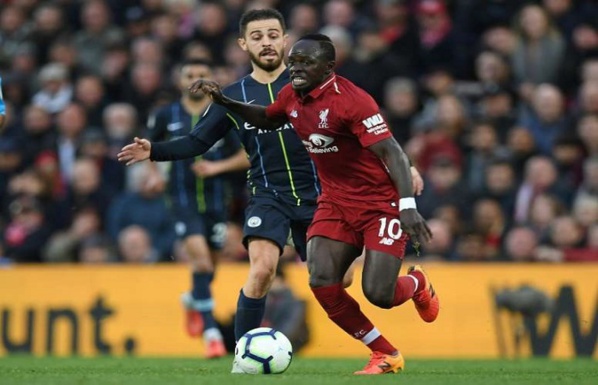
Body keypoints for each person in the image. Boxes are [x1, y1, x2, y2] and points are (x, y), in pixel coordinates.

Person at [117, 9, 424, 366]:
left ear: (284, 40)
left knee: (341, 282)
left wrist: (409, 168)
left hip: (323, 196)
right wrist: (154, 150)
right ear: (243, 44)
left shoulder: (312, 85)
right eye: (258, 36)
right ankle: (242, 358)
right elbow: (196, 142)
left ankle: (402, 304)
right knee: (262, 270)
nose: (266, 42)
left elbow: (371, 133)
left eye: (273, 34)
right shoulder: (234, 94)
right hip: (268, 196)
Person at [190, 34, 438, 375]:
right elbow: (268, 118)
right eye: (292, 62)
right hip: (334, 202)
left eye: (305, 62)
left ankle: (416, 284)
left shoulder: (353, 101)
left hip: (378, 203)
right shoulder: (291, 95)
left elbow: (392, 152)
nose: (295, 68)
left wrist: (406, 205)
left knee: (378, 293)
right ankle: (385, 353)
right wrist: (225, 102)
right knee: (322, 281)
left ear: (328, 67)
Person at [145, 59, 249, 358]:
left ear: (211, 80)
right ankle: (211, 333)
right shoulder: (165, 115)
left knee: (210, 269)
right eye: (189, 75)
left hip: (217, 203)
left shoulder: (223, 114)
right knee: (201, 263)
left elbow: (247, 156)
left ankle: (193, 299)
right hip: (181, 201)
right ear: (179, 80)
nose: (195, 79)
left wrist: (217, 168)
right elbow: (151, 148)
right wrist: (153, 176)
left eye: (202, 75)